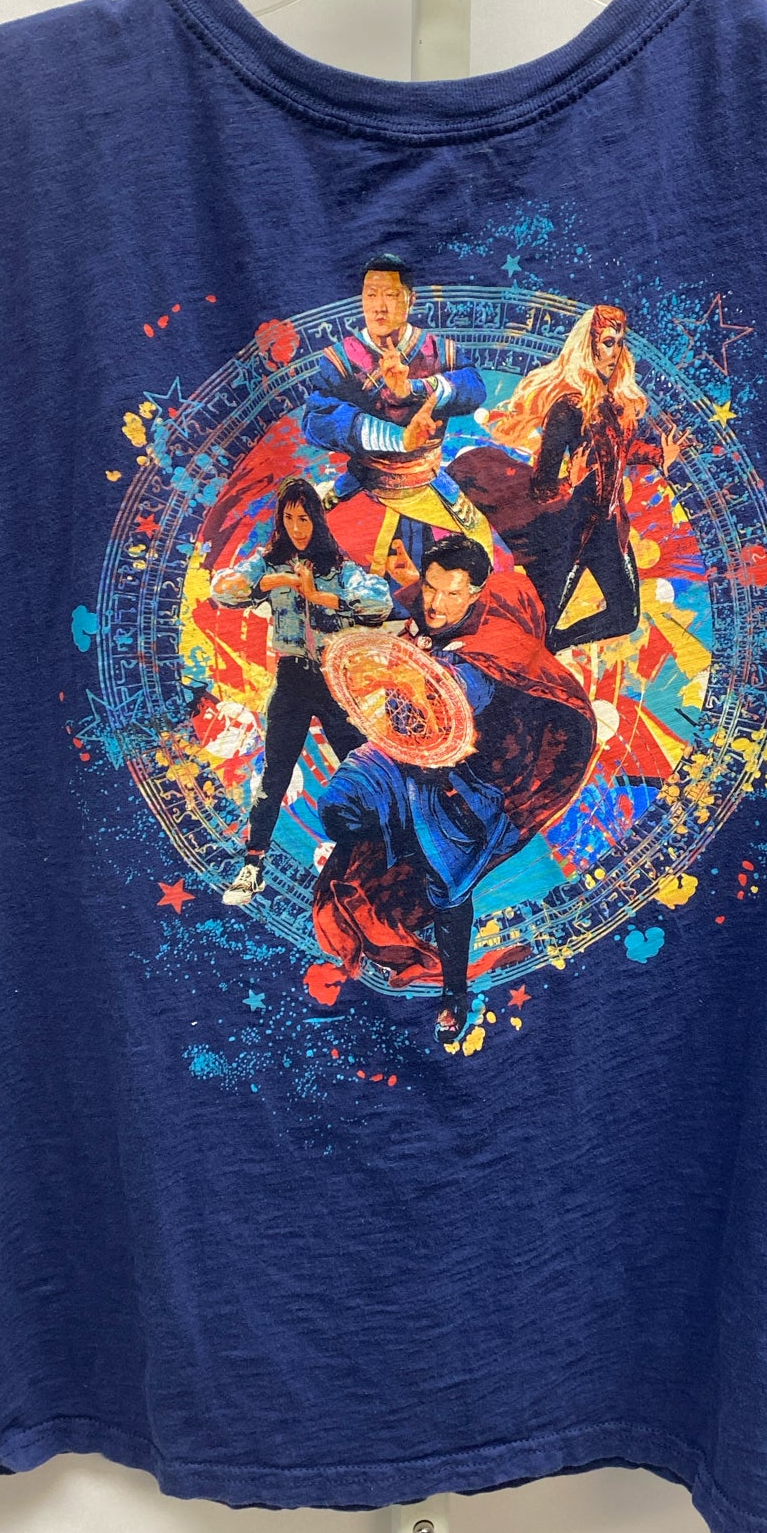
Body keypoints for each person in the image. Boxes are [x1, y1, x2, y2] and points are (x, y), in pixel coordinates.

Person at [311, 534, 597, 1039]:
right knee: (337, 808)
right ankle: (389, 852)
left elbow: (472, 689)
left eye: (452, 594)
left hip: (468, 788)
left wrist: (433, 685)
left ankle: (454, 992)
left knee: (447, 890)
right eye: (431, 588)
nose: (437, 604)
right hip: (399, 755)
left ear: (476, 593)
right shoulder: (425, 608)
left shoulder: (496, 645)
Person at [450, 304, 685, 652]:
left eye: (619, 343)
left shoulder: (615, 403)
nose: (615, 352)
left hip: (610, 531)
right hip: (570, 533)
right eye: (608, 342)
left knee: (624, 616)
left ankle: (551, 647)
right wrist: (570, 482)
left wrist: (657, 456)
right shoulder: (568, 408)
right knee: (539, 625)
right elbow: (542, 486)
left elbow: (618, 450)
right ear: (589, 346)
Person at [210, 476, 393, 904]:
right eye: (289, 518)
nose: (297, 528)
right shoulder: (268, 563)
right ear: (281, 520)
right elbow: (223, 589)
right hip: (292, 678)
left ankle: (384, 861)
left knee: (363, 767)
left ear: (317, 519)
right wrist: (277, 582)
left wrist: (318, 595)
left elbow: (378, 603)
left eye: (305, 518)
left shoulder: (338, 567)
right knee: (274, 775)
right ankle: (252, 866)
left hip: (334, 680)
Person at [303, 253, 494, 582]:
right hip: (365, 481)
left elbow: (474, 388)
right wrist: (398, 439)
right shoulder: (341, 358)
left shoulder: (440, 350)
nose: (379, 307)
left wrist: (413, 389)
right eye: (371, 295)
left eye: (391, 295)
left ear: (410, 299)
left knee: (483, 547)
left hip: (427, 480)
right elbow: (315, 421)